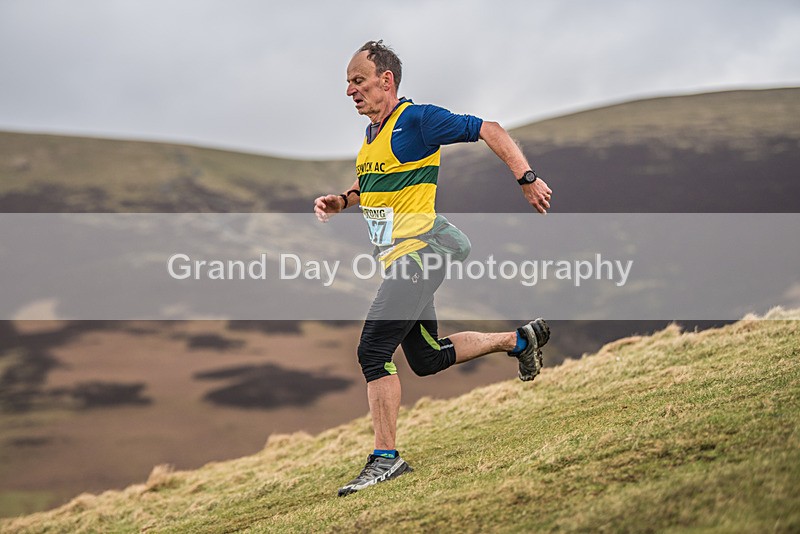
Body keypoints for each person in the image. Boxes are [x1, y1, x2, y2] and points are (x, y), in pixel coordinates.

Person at [313, 40, 553, 497]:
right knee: (426, 358)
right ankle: (521, 340)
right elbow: (373, 185)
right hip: (403, 260)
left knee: (372, 352)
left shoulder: (417, 120)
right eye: (347, 82)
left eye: (357, 80)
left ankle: (385, 458)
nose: (349, 91)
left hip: (419, 256)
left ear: (387, 81)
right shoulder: (371, 139)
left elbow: (490, 128)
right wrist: (342, 200)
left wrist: (527, 178)